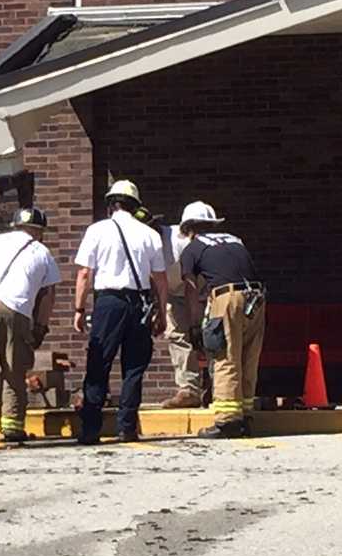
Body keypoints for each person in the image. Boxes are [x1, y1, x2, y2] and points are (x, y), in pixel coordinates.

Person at [73, 180, 168, 444]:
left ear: (110, 204)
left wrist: (79, 308)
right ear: (135, 206)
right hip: (139, 303)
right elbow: (160, 279)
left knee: (98, 363)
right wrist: (161, 312)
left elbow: (84, 273)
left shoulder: (97, 230)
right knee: (134, 366)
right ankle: (127, 427)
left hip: (108, 302)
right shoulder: (149, 234)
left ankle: (91, 429)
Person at [178, 201, 266, 439]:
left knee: (225, 357)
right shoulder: (235, 240)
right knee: (248, 358)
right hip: (256, 297)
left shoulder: (192, 248)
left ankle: (227, 421)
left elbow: (190, 289)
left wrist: (194, 324)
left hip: (228, 298)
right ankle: (245, 417)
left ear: (188, 228)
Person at [0, 207, 61, 443]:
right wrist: (40, 327)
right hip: (16, 310)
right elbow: (47, 296)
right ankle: (12, 427)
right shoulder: (42, 252)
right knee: (13, 370)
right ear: (40, 231)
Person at [133, 207, 201, 408]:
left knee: (207, 335)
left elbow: (196, 272)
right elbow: (151, 280)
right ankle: (188, 390)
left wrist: (195, 312)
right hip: (172, 293)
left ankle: (218, 388)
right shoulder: (138, 245)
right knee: (177, 337)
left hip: (199, 289)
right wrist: (157, 309)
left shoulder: (179, 238)